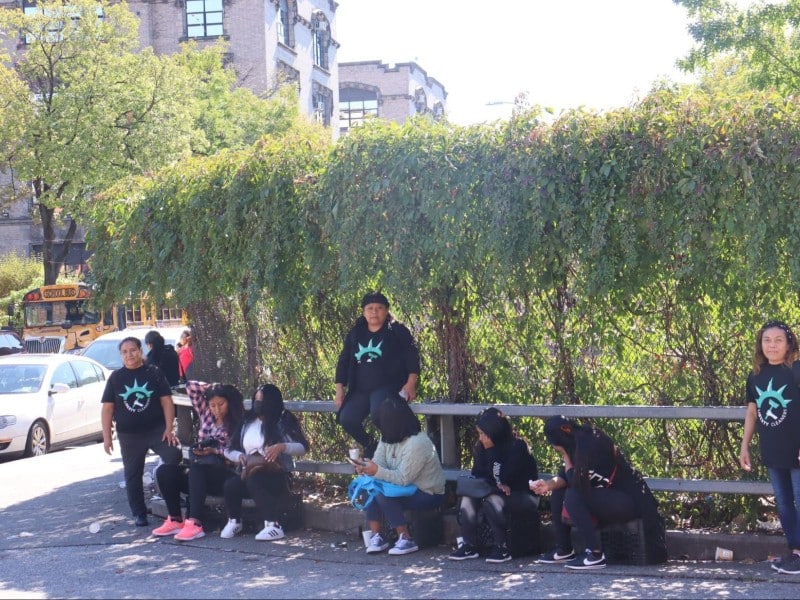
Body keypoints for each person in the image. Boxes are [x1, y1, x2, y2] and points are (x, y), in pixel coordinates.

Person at [530, 416, 665, 570]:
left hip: (629, 500)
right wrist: (547, 485)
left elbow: (575, 481)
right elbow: (565, 477)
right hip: (610, 497)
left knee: (573, 495)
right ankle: (564, 550)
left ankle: (595, 555)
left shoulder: (591, 442)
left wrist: (566, 457)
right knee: (559, 491)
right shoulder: (574, 443)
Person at [101, 336, 182, 527]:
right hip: (129, 434)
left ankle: (175, 505)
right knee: (132, 473)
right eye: (125, 352)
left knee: (174, 456)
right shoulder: (116, 378)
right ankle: (139, 513)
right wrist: (107, 437)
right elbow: (107, 409)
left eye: (133, 350)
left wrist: (169, 428)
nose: (129, 355)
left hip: (157, 430)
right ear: (121, 355)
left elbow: (166, 401)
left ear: (140, 351)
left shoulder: (153, 372)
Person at [740, 320, 800, 575]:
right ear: (760, 344)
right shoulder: (756, 375)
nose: (772, 345)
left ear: (788, 344)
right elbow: (752, 412)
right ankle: (795, 552)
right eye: (767, 340)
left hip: (797, 449)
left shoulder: (796, 370)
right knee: (784, 502)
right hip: (773, 450)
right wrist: (745, 445)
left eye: (778, 340)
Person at [151, 381, 245, 539]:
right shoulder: (206, 414)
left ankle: (195, 523)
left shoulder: (237, 423)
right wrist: (215, 388)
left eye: (221, 404)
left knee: (198, 469)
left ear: (229, 402)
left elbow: (239, 456)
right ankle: (175, 520)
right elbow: (191, 387)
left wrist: (215, 450)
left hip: (224, 475)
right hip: (200, 473)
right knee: (165, 471)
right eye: (213, 405)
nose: (217, 410)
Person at [355, 393, 445, 556]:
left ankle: (405, 537)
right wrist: (366, 468)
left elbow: (403, 479)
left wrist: (376, 471)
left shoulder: (417, 443)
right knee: (370, 487)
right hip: (404, 488)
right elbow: (379, 462)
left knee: (383, 494)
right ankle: (377, 536)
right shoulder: (387, 438)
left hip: (427, 492)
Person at [335, 292, 420, 458]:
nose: (374, 312)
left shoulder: (397, 330)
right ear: (363, 312)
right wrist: (340, 389)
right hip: (360, 389)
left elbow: (412, 356)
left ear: (386, 310)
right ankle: (371, 445)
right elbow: (343, 361)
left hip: (387, 386)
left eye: (379, 308)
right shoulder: (355, 334)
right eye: (370, 308)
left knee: (378, 414)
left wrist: (411, 383)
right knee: (347, 418)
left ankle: (396, 449)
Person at [448, 408, 540, 563]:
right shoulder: (482, 448)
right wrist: (496, 485)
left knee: (492, 499)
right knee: (468, 499)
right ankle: (469, 545)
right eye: (479, 433)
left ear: (495, 432)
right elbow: (478, 475)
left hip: (523, 494)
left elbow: (506, 476)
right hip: (495, 490)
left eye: (484, 434)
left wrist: (496, 481)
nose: (481, 438)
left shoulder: (517, 446)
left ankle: (502, 547)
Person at [220, 383, 310, 541]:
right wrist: (238, 456)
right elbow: (228, 449)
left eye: (261, 401)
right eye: (256, 400)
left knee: (256, 480)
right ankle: (234, 521)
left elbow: (302, 447)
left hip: (276, 475)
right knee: (231, 485)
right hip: (248, 471)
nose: (257, 404)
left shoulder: (281, 421)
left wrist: (282, 447)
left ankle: (272, 525)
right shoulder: (247, 421)